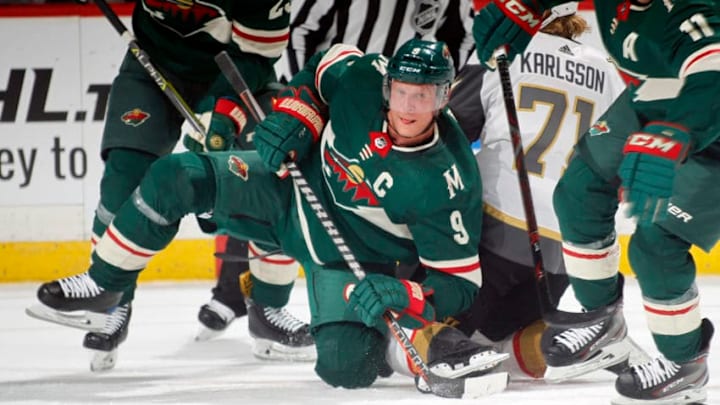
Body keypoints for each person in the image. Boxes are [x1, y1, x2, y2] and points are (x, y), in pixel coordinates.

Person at [33, 38, 511, 395]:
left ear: (445, 97)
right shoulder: (364, 77)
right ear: (388, 84)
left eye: (423, 96)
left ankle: (404, 343)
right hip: (285, 189)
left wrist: (404, 292)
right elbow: (320, 71)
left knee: (346, 368)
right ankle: (105, 285)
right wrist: (295, 117)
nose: (408, 108)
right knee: (176, 176)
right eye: (402, 92)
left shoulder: (449, 180)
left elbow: (459, 281)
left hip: (345, 254)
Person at [26, 0, 314, 370]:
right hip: (154, 62)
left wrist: (224, 112)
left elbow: (258, 54)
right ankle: (111, 297)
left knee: (269, 171)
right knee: (123, 174)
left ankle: (268, 307)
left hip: (234, 72)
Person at [472, 0, 717, 403]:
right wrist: (529, 6)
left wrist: (675, 133)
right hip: (660, 88)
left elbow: (713, 77)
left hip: (712, 108)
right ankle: (603, 320)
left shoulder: (696, 10)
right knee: (578, 193)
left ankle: (685, 363)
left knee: (656, 245)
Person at [198, 0, 478, 338]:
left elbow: (463, 36)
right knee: (277, 186)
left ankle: (367, 314)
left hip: (400, 111)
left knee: (379, 206)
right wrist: (310, 105)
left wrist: (434, 96)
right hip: (333, 102)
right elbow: (301, 30)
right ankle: (234, 293)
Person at [446, 1, 628, 381]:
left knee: (446, 334)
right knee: (504, 339)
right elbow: (621, 168)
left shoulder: (500, 56)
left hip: (490, 238)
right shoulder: (608, 72)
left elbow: (446, 139)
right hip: (565, 253)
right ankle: (568, 339)